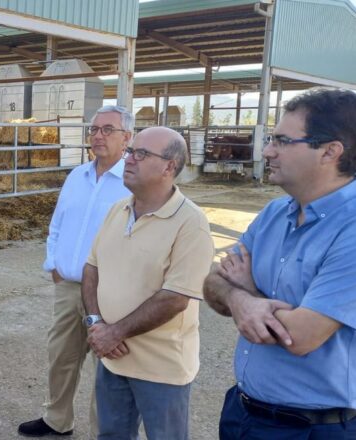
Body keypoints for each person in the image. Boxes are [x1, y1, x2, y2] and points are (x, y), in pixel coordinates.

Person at [203, 88, 356, 439]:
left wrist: (247, 291)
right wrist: (241, 300)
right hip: (243, 411)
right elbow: (212, 283)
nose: (267, 151)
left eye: (283, 141)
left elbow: (301, 336)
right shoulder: (275, 212)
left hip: (313, 428)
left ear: (330, 152)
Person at [82, 126, 214, 440]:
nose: (129, 159)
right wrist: (96, 323)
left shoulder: (191, 223)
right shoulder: (118, 209)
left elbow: (175, 297)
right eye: (131, 151)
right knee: (111, 436)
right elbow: (91, 269)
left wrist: (113, 333)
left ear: (170, 166)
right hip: (113, 358)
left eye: (141, 154)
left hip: (161, 368)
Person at [18, 105, 134, 437]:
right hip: (68, 286)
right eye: (94, 129)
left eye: (107, 130)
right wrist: (53, 264)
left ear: (127, 138)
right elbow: (57, 224)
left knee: (107, 368)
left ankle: (105, 432)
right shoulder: (76, 176)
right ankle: (57, 419)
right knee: (61, 358)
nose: (97, 136)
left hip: (109, 292)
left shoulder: (131, 183)